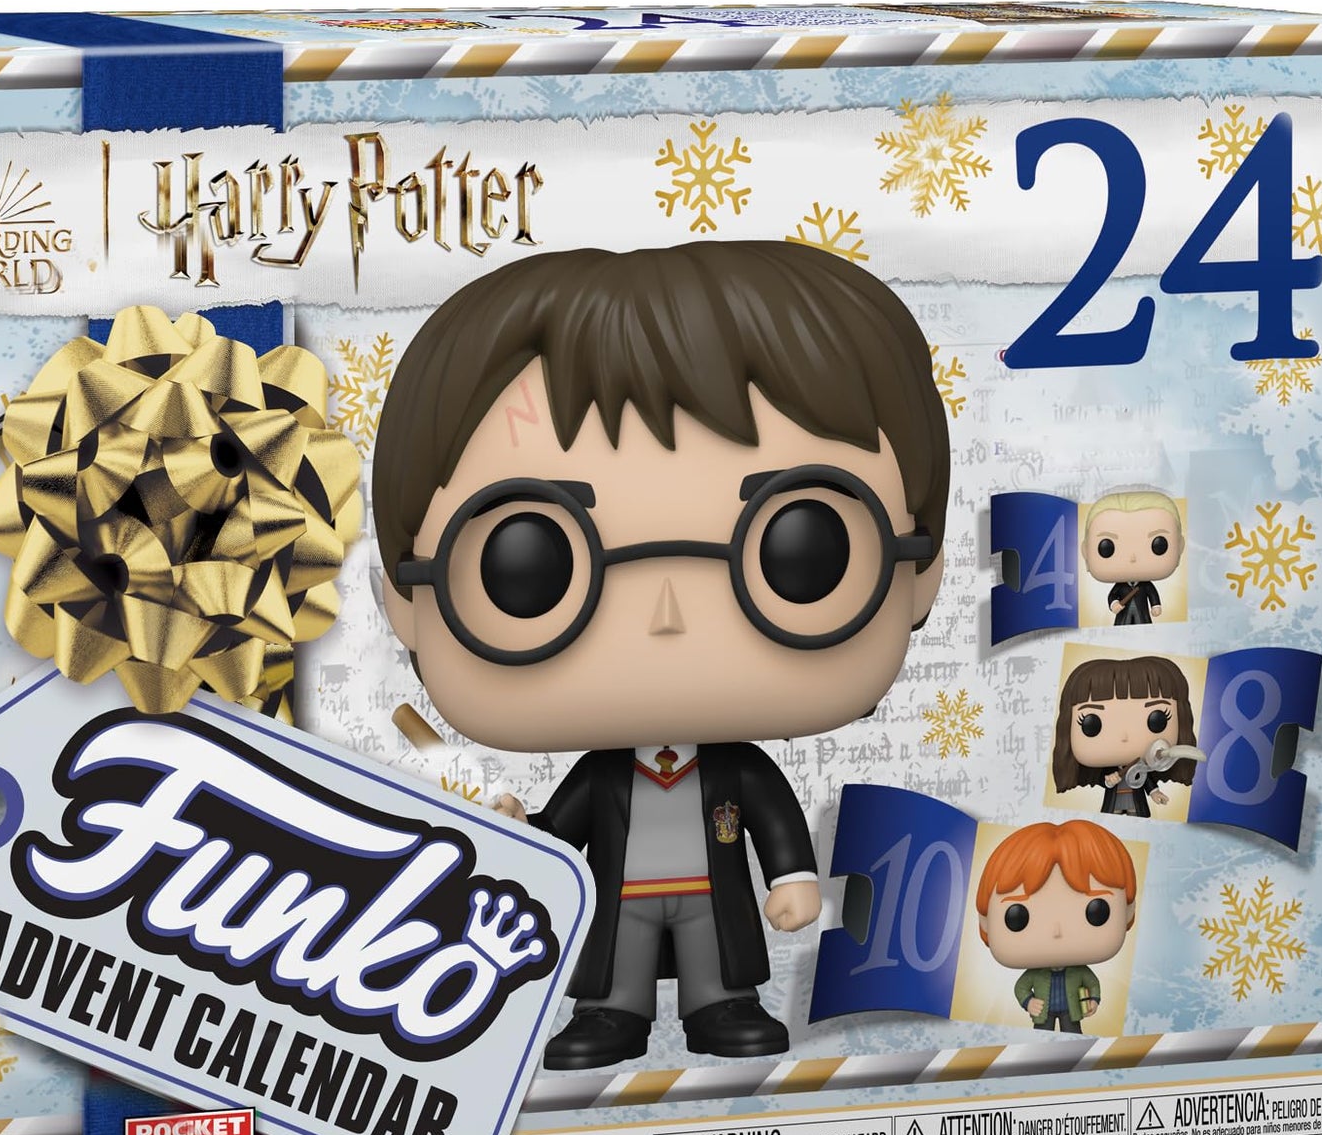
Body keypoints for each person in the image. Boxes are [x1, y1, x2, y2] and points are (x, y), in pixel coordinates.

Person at [376, 241, 950, 1069]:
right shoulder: (603, 777)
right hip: (624, 903)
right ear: (404, 601)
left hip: (713, 899)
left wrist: (791, 878)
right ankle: (612, 1014)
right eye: (528, 566)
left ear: (921, 571)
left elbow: (773, 821)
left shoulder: (737, 769)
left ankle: (722, 1006)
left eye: (801, 551)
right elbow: (563, 833)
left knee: (718, 970)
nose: (668, 616)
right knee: (619, 972)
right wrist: (525, 831)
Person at [977, 820, 1137, 1033]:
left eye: (1096, 912)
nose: (1057, 931)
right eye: (1017, 917)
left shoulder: (1080, 971)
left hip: (1072, 1012)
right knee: (1041, 1040)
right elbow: (1021, 987)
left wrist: (1094, 1000)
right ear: (985, 921)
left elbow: (1093, 984)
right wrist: (1028, 1002)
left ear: (1128, 910)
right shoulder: (1035, 974)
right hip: (1043, 1014)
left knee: (1073, 1034)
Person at [1050, 654, 1199, 818]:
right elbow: (1103, 781)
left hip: (1136, 803)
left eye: (1157, 720)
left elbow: (1147, 781)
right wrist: (1108, 781)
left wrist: (1155, 792)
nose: (1124, 736)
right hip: (1114, 804)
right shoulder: (1109, 768)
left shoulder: (1141, 766)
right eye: (1091, 724)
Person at [1081, 489, 1184, 625]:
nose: (1133, 558)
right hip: (1123, 620)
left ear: (1180, 546)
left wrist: (1156, 605)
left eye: (1158, 545)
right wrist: (1114, 604)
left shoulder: (1146, 585)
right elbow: (1112, 596)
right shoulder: (1120, 586)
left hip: (1143, 618)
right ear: (1085, 551)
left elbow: (1152, 594)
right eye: (1107, 548)